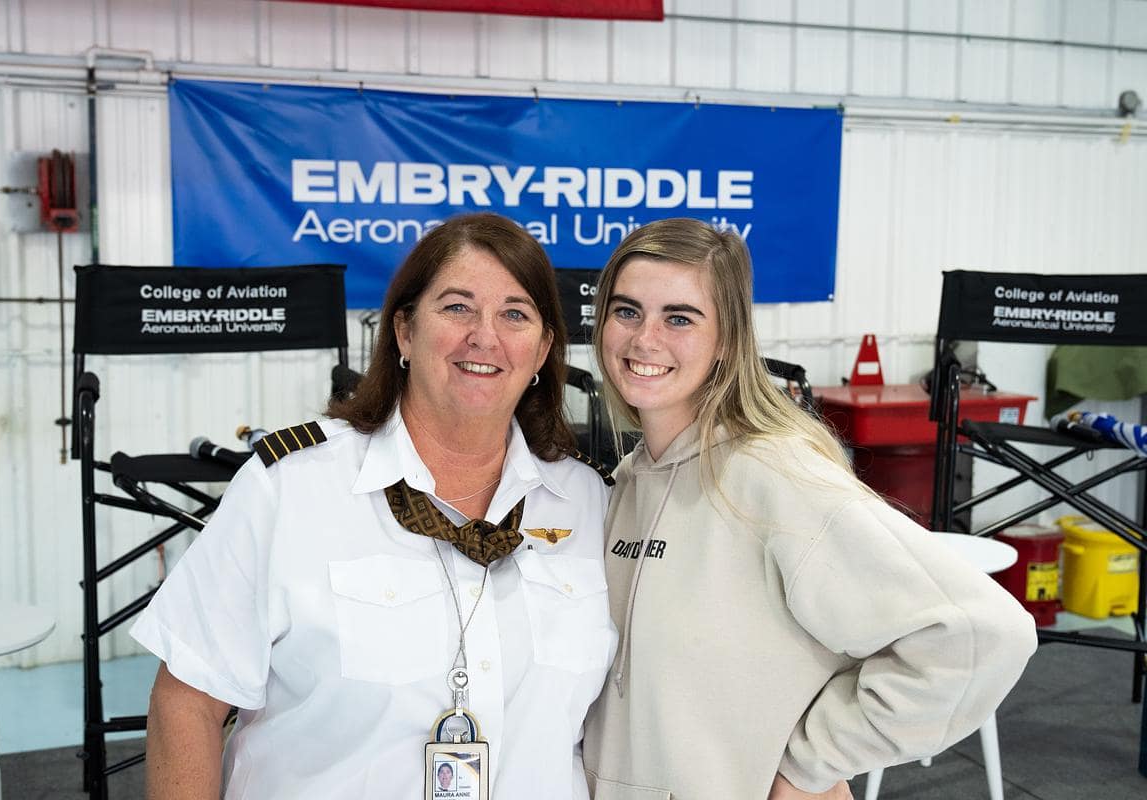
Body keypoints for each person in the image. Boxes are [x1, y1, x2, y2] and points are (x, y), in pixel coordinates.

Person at [131, 212, 617, 799]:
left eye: (515, 314)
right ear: (404, 332)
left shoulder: (587, 502)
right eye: (456, 307)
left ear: (542, 350)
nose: (484, 336)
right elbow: (187, 700)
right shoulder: (291, 487)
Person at [581, 218, 1038, 800]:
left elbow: (977, 633)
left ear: (727, 339)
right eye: (626, 311)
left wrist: (809, 766)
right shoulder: (625, 487)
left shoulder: (773, 474)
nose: (645, 339)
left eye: (679, 317)